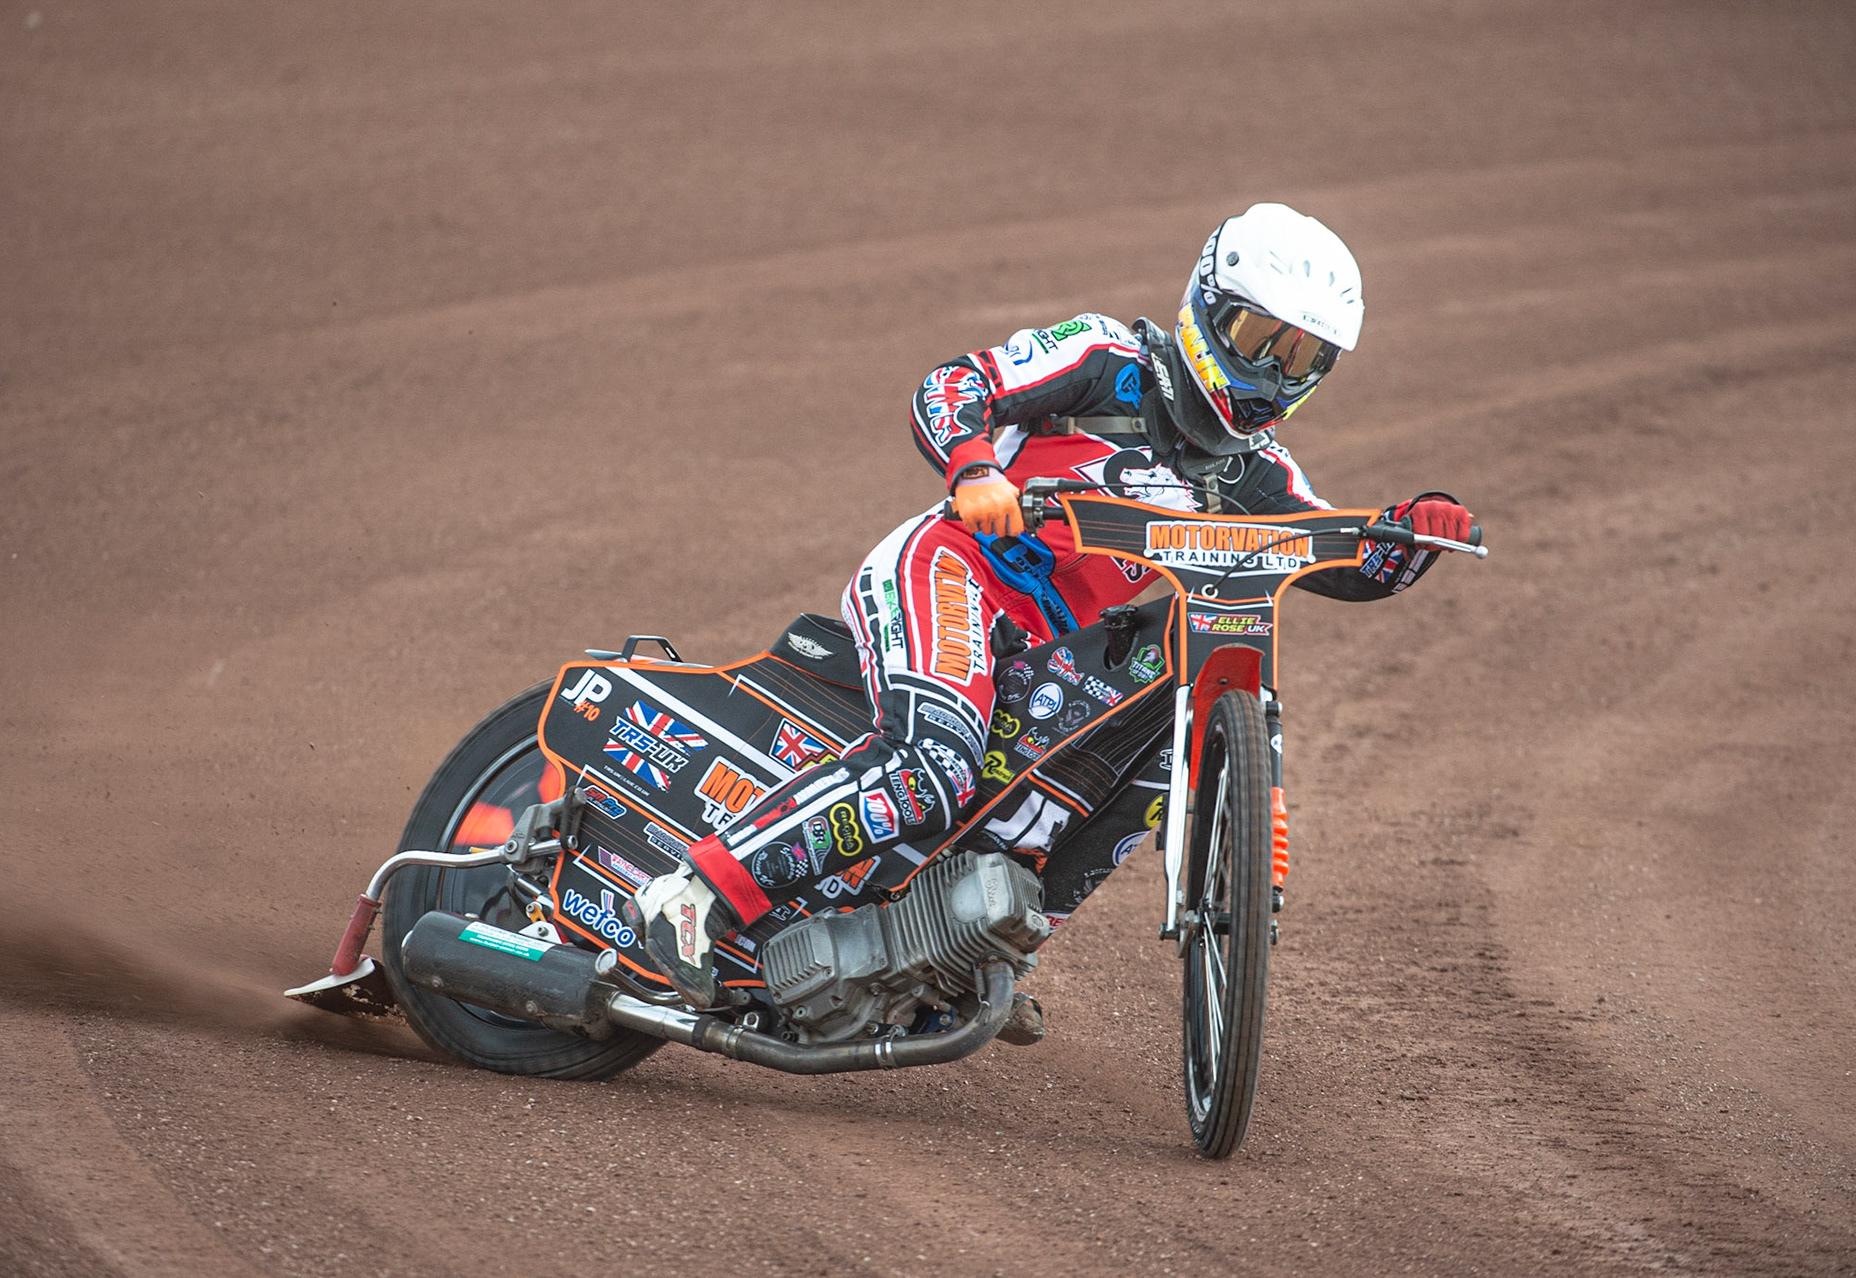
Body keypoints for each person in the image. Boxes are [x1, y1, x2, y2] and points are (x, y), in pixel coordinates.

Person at [630, 202, 1472, 1008]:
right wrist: (973, 468)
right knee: (937, 764)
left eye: (1305, 359)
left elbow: (1343, 561)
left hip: (1049, 650)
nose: (1277, 375)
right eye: (1264, 342)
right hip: (956, 571)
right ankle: (695, 890)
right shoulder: (1107, 357)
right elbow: (954, 385)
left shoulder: (1258, 472)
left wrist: (1411, 533)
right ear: (1209, 311)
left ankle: (971, 952)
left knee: (1143, 756)